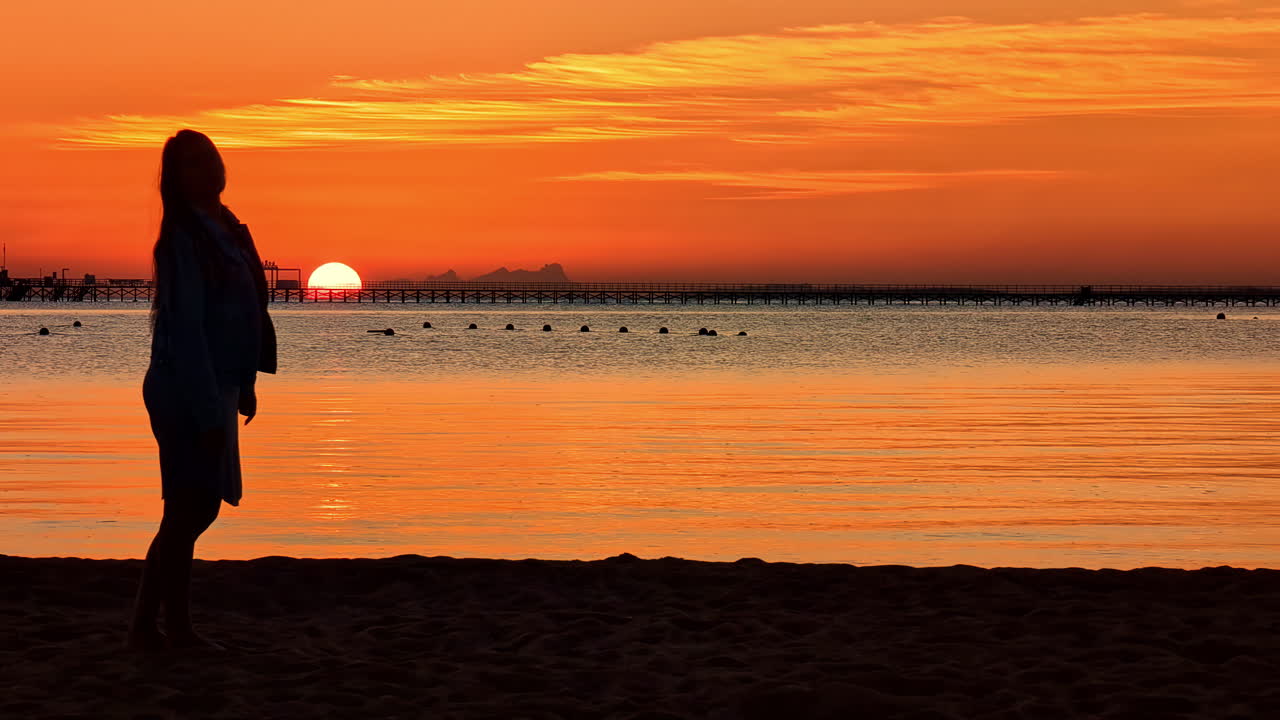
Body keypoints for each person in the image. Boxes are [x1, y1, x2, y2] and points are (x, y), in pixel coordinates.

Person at [128, 130, 277, 651]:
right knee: (191, 509)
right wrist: (206, 409)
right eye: (192, 164)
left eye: (209, 157)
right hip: (184, 384)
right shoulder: (183, 239)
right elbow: (188, 329)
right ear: (176, 179)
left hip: (221, 382)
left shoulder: (230, 229)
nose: (207, 168)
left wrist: (248, 381)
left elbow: (248, 309)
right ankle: (172, 628)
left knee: (193, 509)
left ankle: (148, 626)